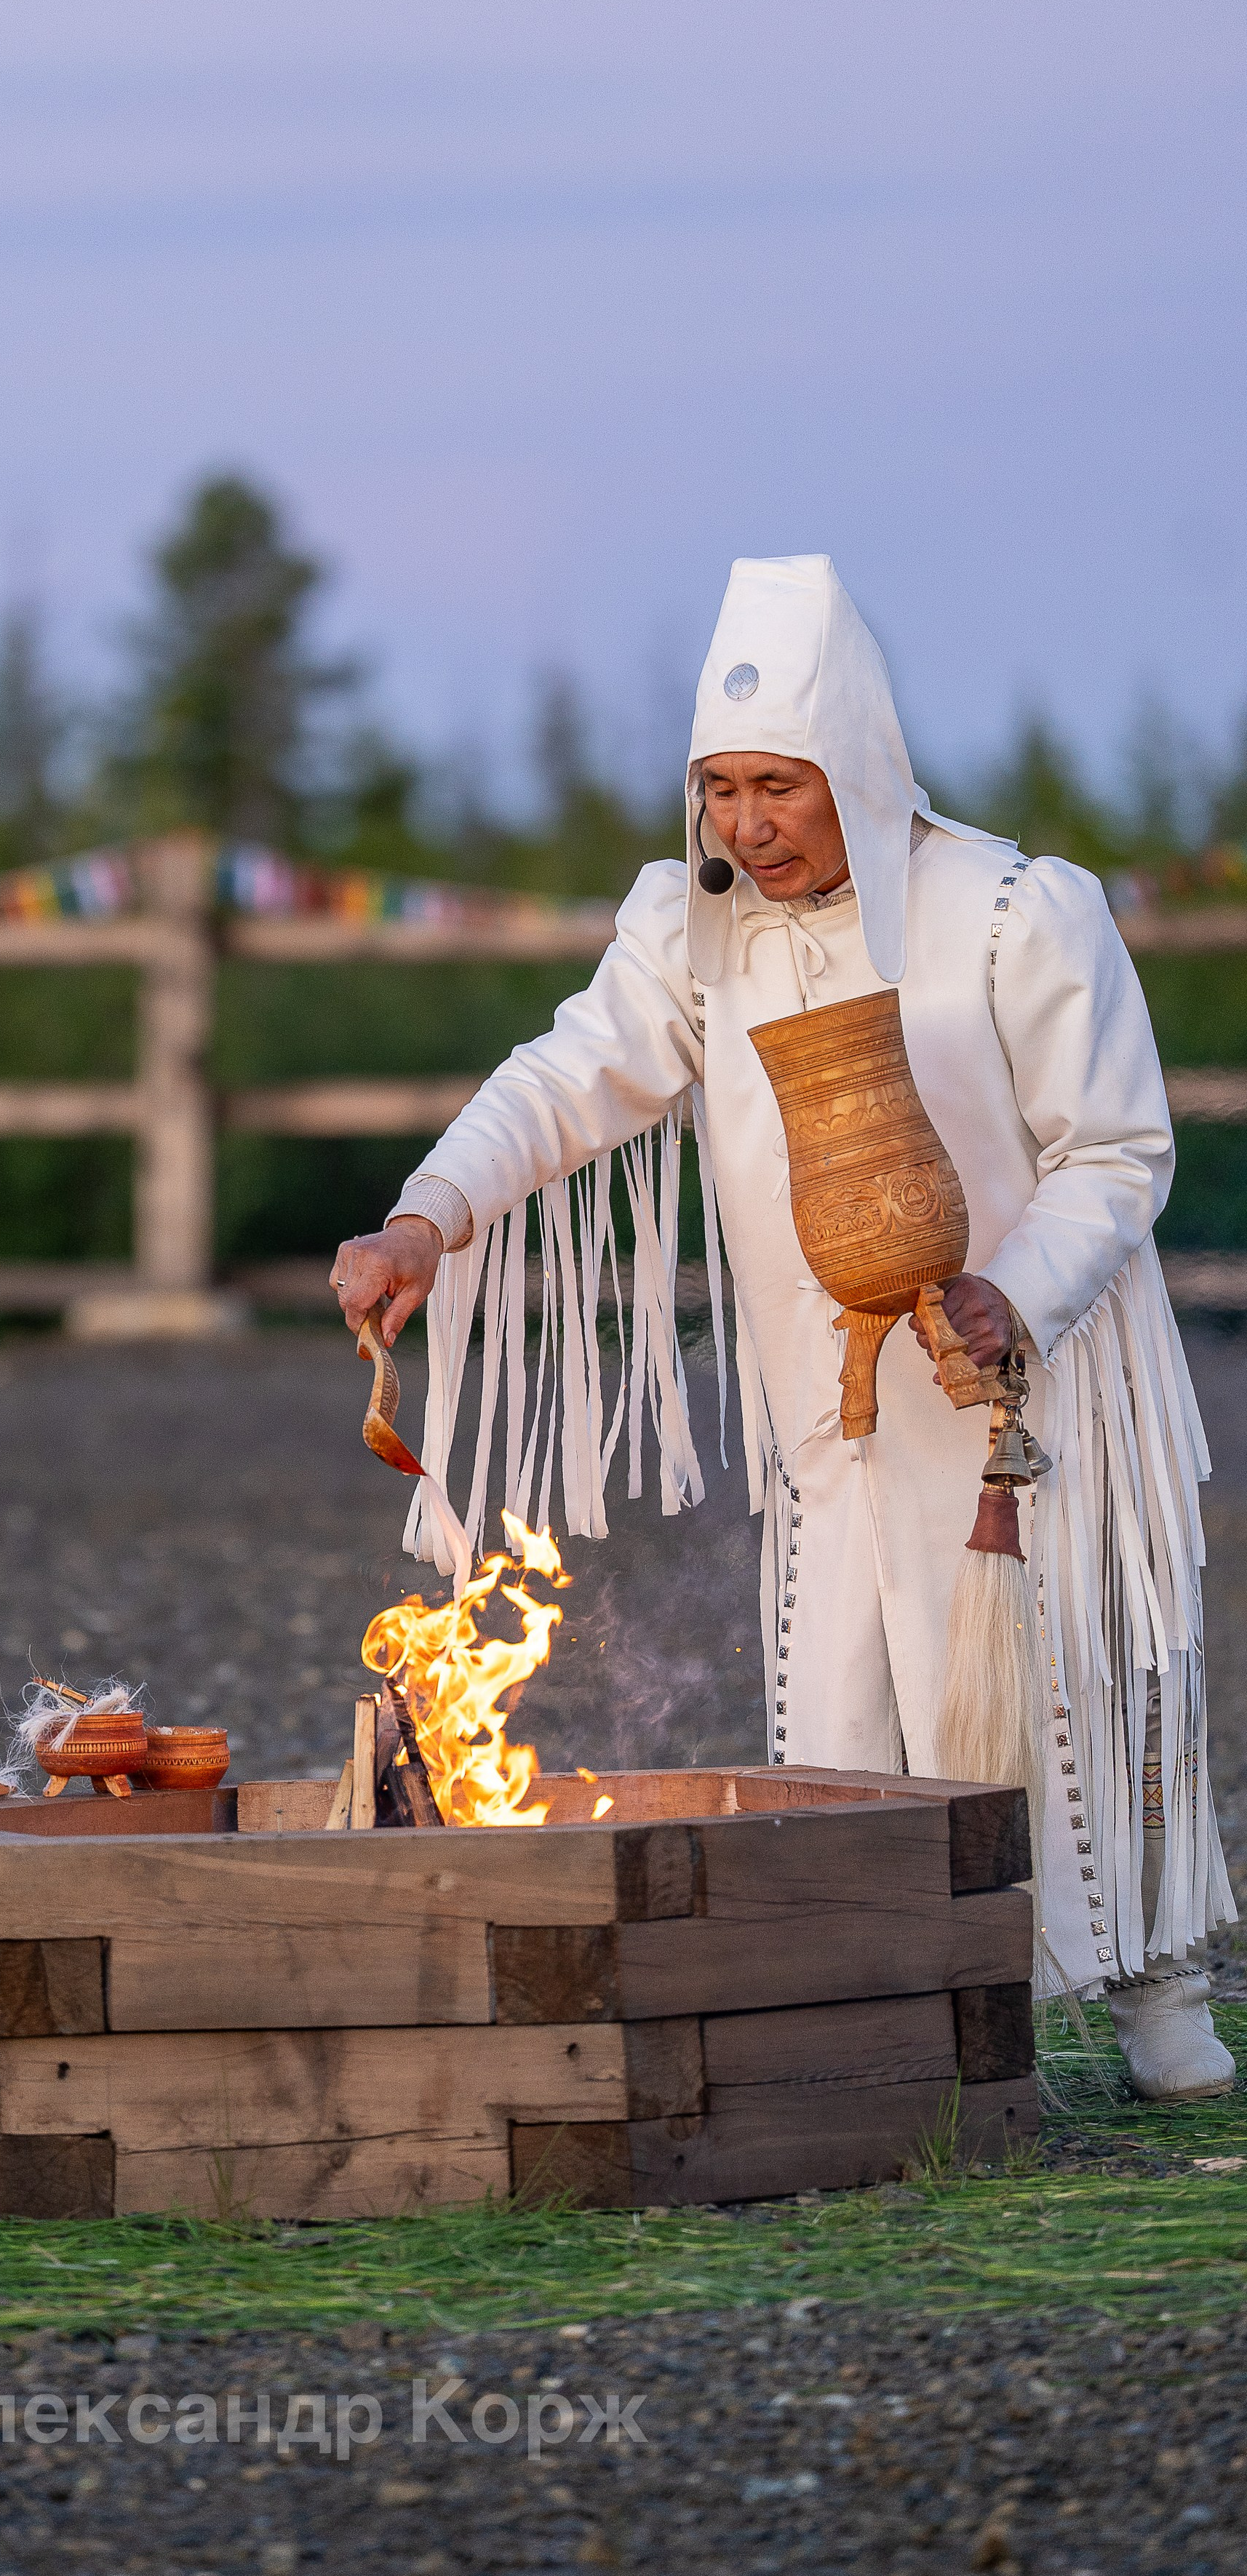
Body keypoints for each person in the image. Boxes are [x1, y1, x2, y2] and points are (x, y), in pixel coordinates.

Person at [330, 554, 1235, 2099]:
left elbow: (1111, 1149)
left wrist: (1011, 1291)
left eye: (777, 785)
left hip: (1030, 1375)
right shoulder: (694, 929)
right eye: (720, 788)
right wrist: (431, 1211)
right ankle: (883, 2014)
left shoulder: (1013, 910)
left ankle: (1156, 1989)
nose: (745, 825)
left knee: (1077, 1670)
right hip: (836, 1408)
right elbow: (569, 1074)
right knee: (846, 1702)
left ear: (857, 769)